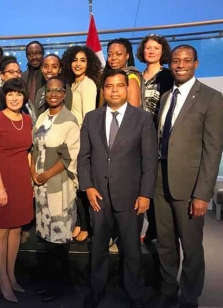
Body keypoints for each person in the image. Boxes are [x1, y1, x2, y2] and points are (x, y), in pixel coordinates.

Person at [78, 69, 158, 308]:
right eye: (109, 86)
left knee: (132, 250)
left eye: (119, 86)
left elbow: (149, 160)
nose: (114, 90)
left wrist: (146, 194)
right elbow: (84, 157)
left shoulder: (142, 119)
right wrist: (88, 187)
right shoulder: (91, 118)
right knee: (99, 247)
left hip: (131, 196)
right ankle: (96, 291)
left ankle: (134, 294)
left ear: (127, 88)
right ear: (103, 90)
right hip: (98, 196)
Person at [154, 44, 223, 308]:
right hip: (160, 184)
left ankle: (189, 297)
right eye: (175, 60)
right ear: (170, 64)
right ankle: (168, 291)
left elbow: (213, 149)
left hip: (190, 187)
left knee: (192, 249)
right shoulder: (165, 98)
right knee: (165, 244)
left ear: (196, 63)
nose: (180, 64)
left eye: (186, 60)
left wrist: (202, 194)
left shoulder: (210, 97)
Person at [0, 78, 34, 303]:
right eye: (10, 93)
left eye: (19, 94)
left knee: (16, 229)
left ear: (24, 97)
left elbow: (29, 153)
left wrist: (32, 181)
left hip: (22, 180)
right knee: (1, 230)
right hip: (0, 181)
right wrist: (1, 188)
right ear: (4, 96)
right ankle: (2, 280)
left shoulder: (27, 119)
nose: (15, 98)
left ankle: (12, 275)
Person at [31, 77, 80, 302]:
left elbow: (69, 156)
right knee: (47, 239)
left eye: (57, 91)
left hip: (58, 186)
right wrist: (33, 173)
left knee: (59, 241)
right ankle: (51, 282)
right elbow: (34, 147)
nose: (53, 94)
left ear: (64, 94)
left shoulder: (70, 121)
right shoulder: (42, 117)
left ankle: (59, 287)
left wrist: (45, 175)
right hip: (40, 187)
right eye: (49, 90)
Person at [61, 45, 102, 243]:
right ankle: (78, 223)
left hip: (81, 140)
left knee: (82, 185)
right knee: (74, 185)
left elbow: (89, 117)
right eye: (75, 60)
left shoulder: (88, 84)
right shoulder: (72, 84)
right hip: (69, 140)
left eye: (83, 60)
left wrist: (84, 143)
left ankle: (86, 225)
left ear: (89, 63)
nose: (78, 64)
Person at [136, 34, 174, 243]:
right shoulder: (137, 76)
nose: (151, 51)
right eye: (148, 48)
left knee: (154, 185)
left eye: (155, 48)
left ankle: (155, 230)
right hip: (136, 136)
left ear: (162, 51)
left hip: (157, 136)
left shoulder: (167, 76)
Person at [104, 38, 142, 107]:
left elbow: (134, 112)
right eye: (110, 55)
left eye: (118, 54)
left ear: (127, 56)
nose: (113, 58)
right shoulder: (107, 78)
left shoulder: (131, 79)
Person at [33, 54, 73, 119]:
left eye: (54, 67)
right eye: (46, 67)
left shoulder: (65, 88)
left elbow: (66, 114)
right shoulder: (40, 91)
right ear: (42, 69)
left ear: (60, 69)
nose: (49, 70)